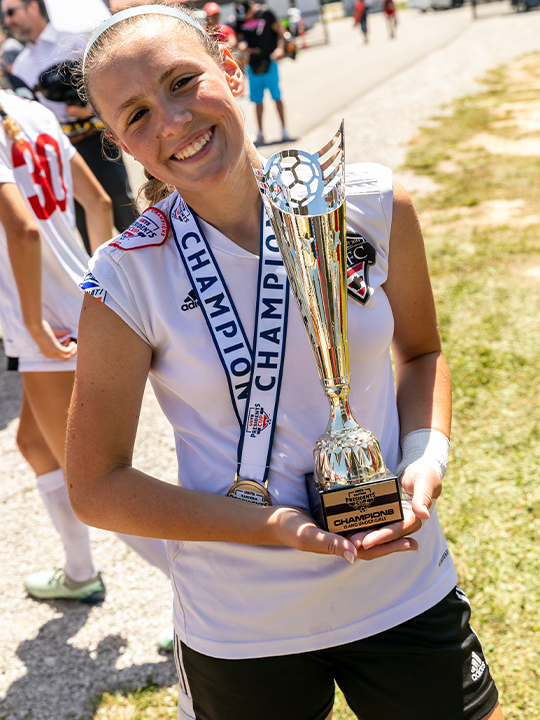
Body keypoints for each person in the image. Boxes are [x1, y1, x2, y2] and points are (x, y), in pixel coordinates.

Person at [67, 5, 505, 719]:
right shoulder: (124, 276)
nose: (173, 120)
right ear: (119, 145)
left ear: (232, 70)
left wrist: (426, 463)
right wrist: (274, 528)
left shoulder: (367, 203)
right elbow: (95, 486)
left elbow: (421, 353)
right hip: (242, 624)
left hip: (398, 580)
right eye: (138, 115)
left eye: (184, 81)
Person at [0, 83, 172, 629]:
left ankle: (200, 593)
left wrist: (32, 323)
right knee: (34, 444)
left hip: (44, 322)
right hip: (71, 303)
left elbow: (24, 232)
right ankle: (79, 572)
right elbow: (97, 202)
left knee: (95, 480)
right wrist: (101, 284)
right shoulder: (30, 111)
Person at [1, 0, 138, 254]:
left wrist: (92, 106)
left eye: (11, 12)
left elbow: (114, 85)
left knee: (126, 213)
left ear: (32, 6)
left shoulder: (76, 41)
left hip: (98, 140)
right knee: (86, 227)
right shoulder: (19, 65)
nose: (7, 21)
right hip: (61, 153)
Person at [235, 0, 290, 145]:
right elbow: (239, 40)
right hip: (252, 66)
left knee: (276, 97)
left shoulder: (266, 14)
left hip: (270, 61)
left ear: (252, 6)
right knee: (257, 101)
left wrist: (280, 48)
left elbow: (280, 32)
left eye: (246, 13)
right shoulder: (240, 20)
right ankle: (260, 132)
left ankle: (284, 129)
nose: (245, 17)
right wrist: (242, 46)